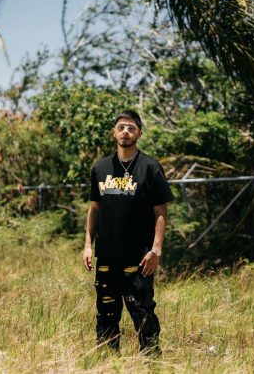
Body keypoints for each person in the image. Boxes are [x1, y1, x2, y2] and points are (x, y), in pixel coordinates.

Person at [82, 110, 174, 355]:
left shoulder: (150, 167)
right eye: (121, 127)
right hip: (106, 256)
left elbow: (161, 212)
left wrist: (156, 250)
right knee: (106, 313)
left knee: (142, 312)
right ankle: (108, 362)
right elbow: (94, 209)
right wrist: (88, 246)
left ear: (139, 134)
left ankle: (151, 362)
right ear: (114, 132)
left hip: (139, 258)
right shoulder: (100, 168)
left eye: (131, 128)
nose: (125, 132)